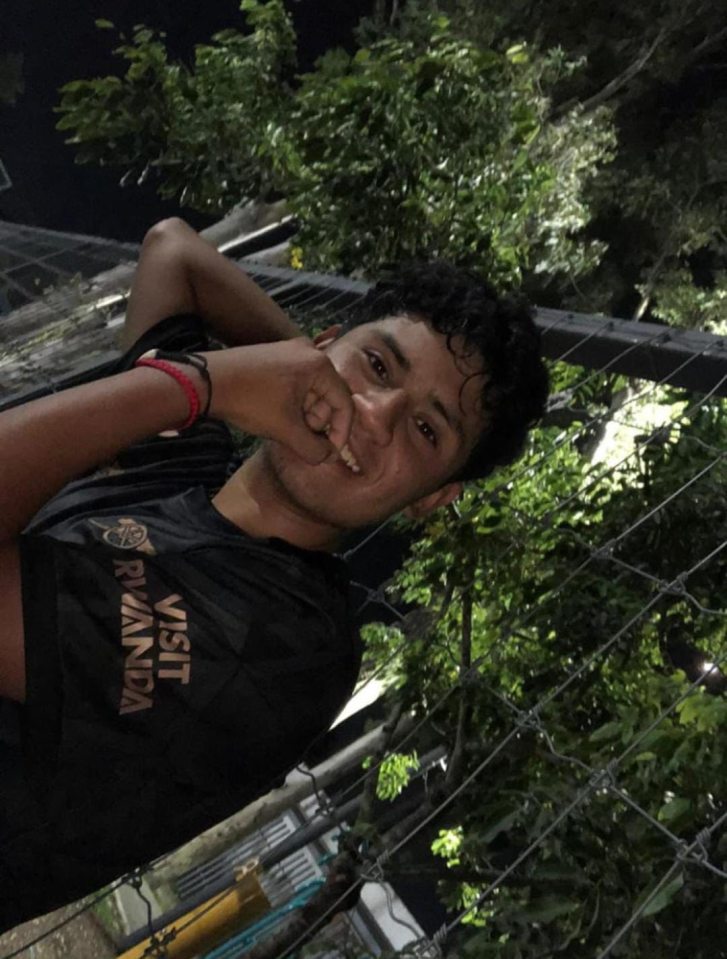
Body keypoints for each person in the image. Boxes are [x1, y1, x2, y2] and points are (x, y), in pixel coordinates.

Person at [0, 218, 548, 930]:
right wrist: (299, 378)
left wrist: (206, 384)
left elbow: (192, 359)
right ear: (319, 349)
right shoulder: (183, 468)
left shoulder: (281, 644)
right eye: (376, 367)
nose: (373, 416)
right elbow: (175, 250)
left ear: (432, 496)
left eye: (424, 430)